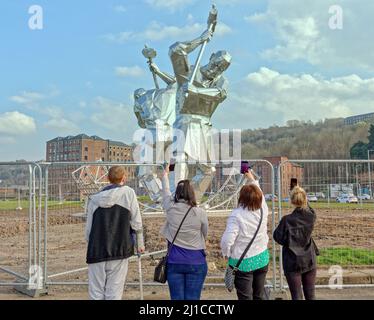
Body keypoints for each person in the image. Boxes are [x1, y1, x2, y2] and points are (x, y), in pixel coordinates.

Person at [85, 166, 145, 300]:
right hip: (119, 248)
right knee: (114, 292)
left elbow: (88, 229)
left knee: (95, 292)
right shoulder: (128, 193)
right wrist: (140, 244)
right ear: (124, 178)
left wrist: (91, 244)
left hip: (96, 249)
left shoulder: (94, 199)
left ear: (107, 179)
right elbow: (136, 221)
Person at [160, 165, 209, 300]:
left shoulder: (170, 209)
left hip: (174, 262)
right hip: (196, 261)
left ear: (177, 193)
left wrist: (165, 175)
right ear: (192, 194)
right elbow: (205, 233)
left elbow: (165, 192)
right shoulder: (200, 213)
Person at [221, 170, 270, 300]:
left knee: (245, 297)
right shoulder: (263, 209)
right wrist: (252, 178)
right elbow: (261, 195)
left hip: (243, 262)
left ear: (241, 198)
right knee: (259, 295)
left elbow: (227, 241)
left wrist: (227, 253)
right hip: (262, 258)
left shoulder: (237, 215)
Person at [273, 186, 318, 300]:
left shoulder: (286, 220)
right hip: (309, 258)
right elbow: (309, 208)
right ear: (305, 200)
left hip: (292, 261)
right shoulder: (311, 216)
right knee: (310, 294)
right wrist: (301, 194)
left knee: (296, 295)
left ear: (292, 201)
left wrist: (289, 241)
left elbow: (277, 237)